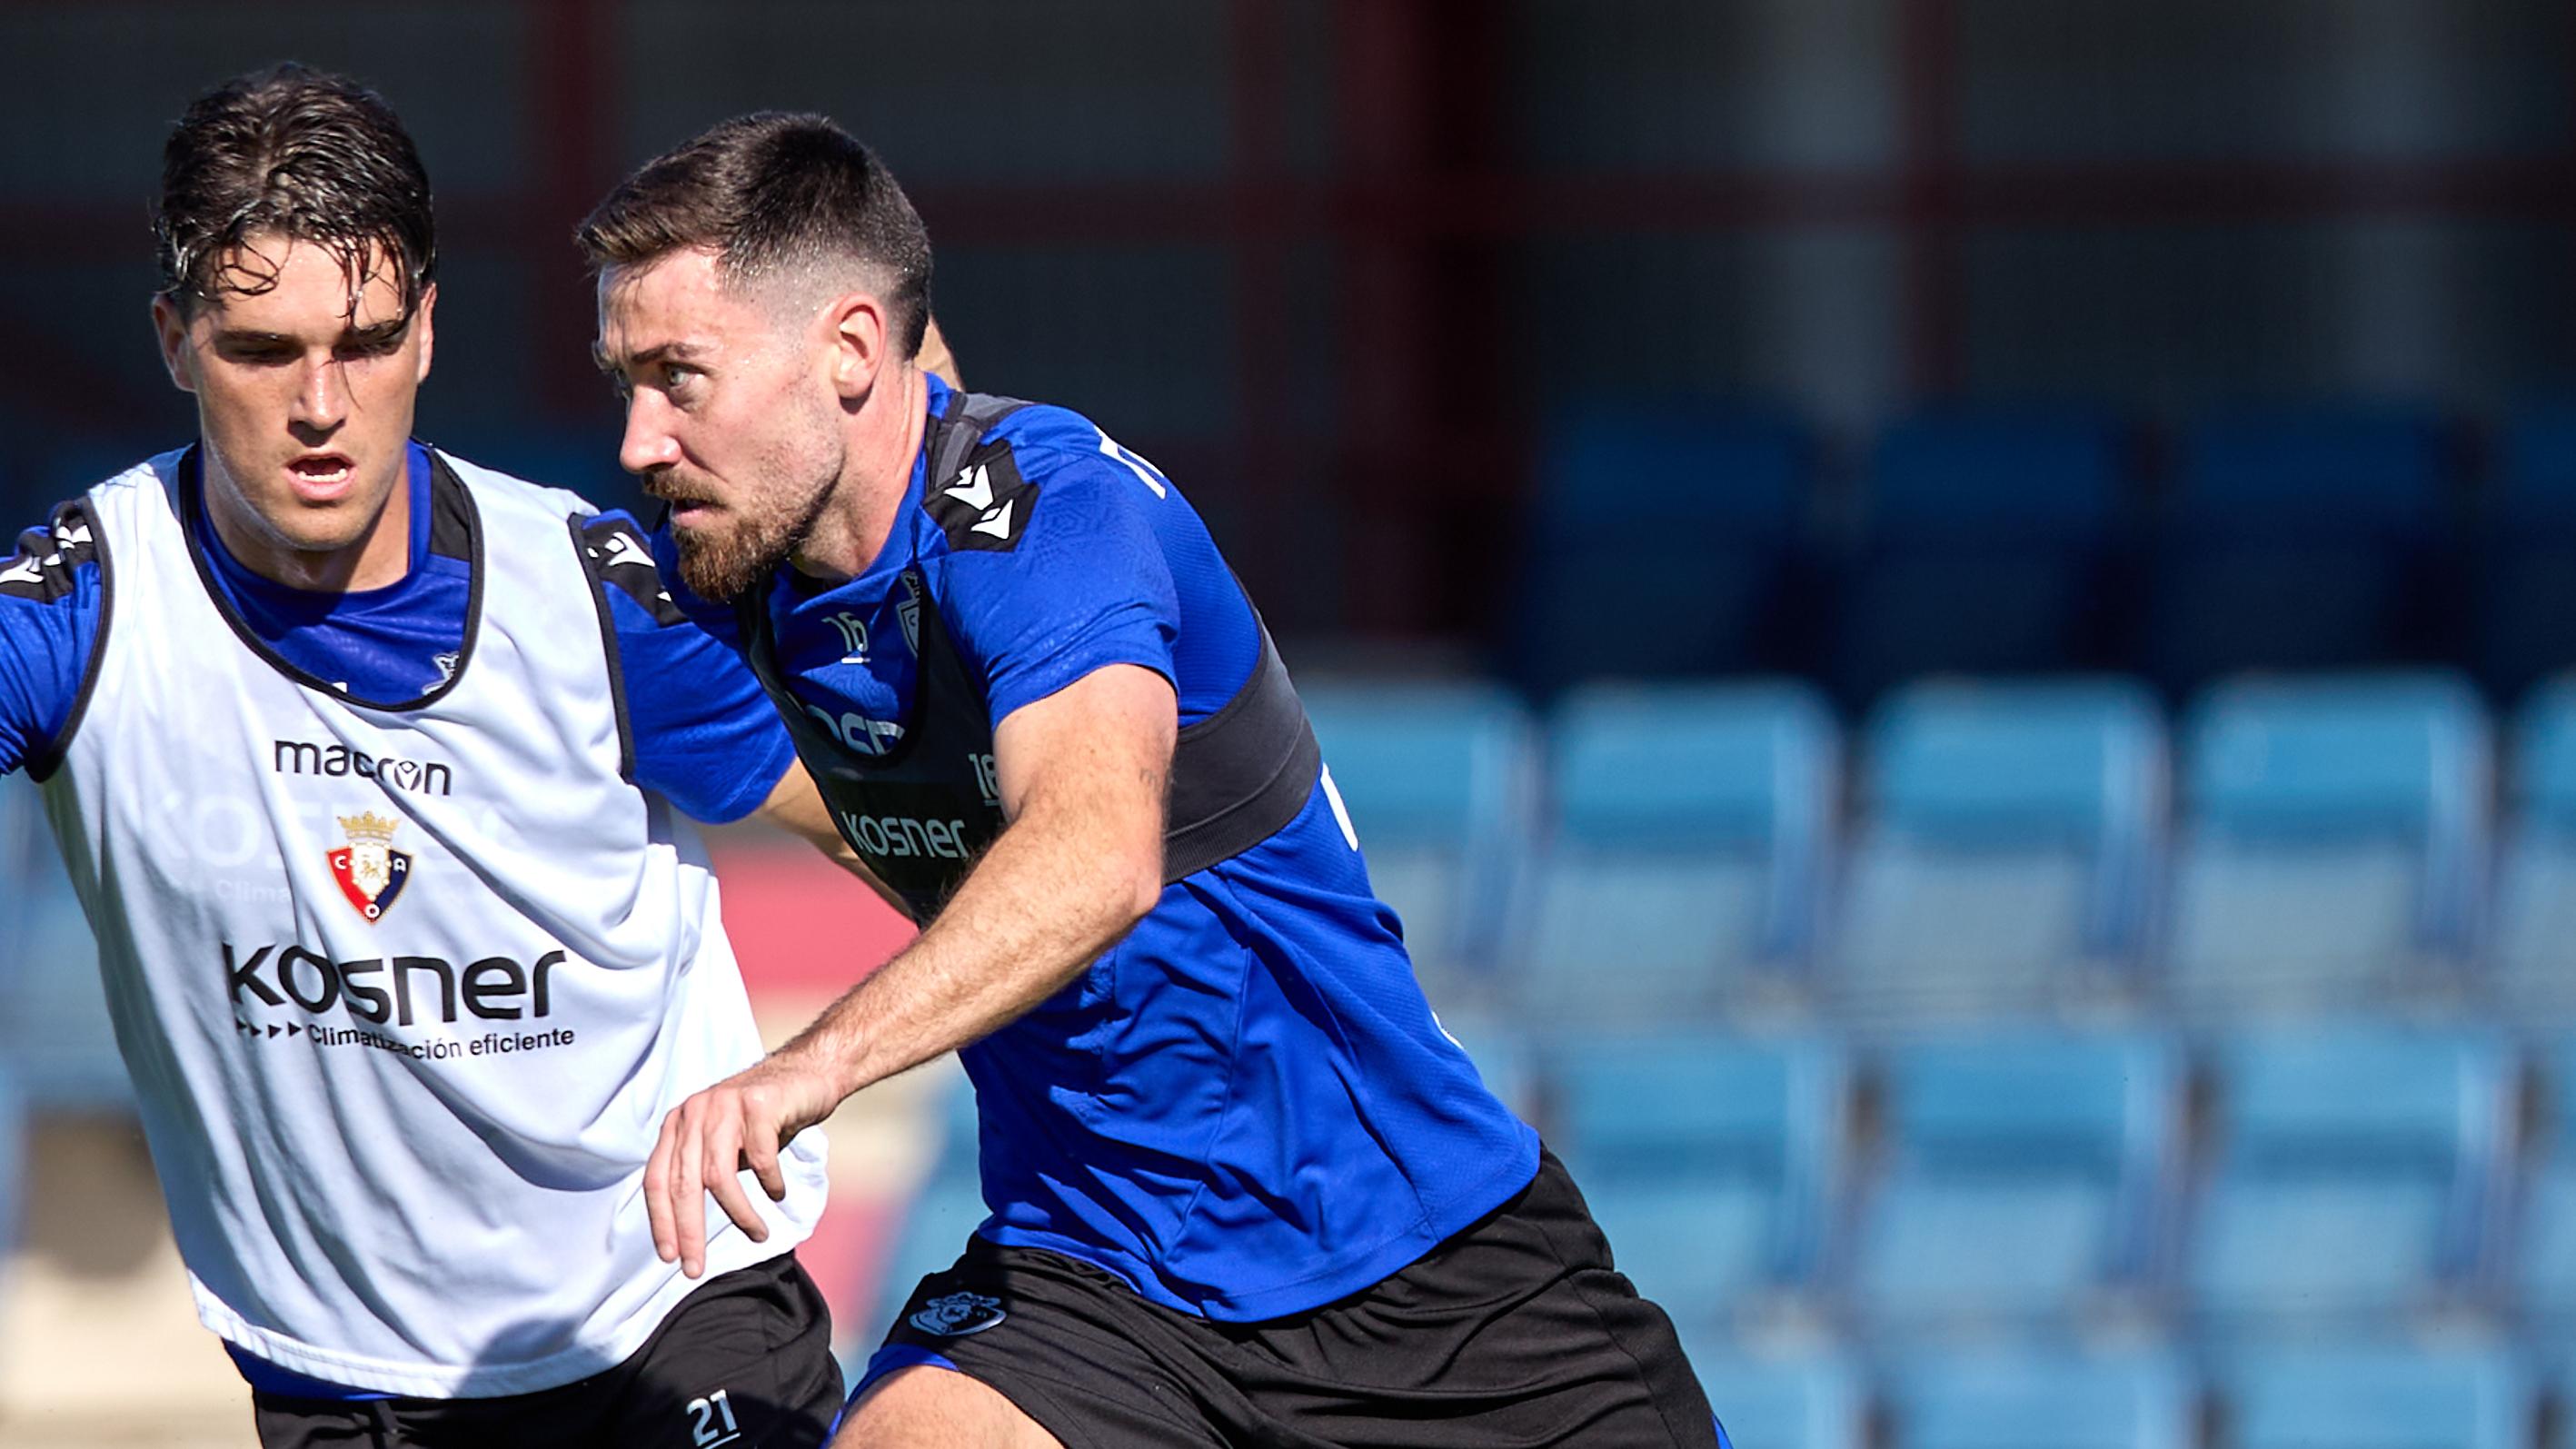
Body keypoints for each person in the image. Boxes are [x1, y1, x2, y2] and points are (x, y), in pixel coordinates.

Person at [582, 113, 1728, 1449]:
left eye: (679, 378)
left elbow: (1095, 853)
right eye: (623, 383)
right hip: (1098, 1282)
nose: (638, 441)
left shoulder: (1057, 513)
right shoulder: (701, 586)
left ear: (847, 352)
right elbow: (384, 586)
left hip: (1426, 1278)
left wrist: (808, 1069)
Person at [0, 65, 882, 1448]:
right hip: (344, 1374)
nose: (318, 406)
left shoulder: (589, 598)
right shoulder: (81, 611)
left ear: (425, 331)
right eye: (260, 349)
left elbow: (890, 829)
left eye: (359, 342)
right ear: (176, 343)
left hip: (665, 1308)